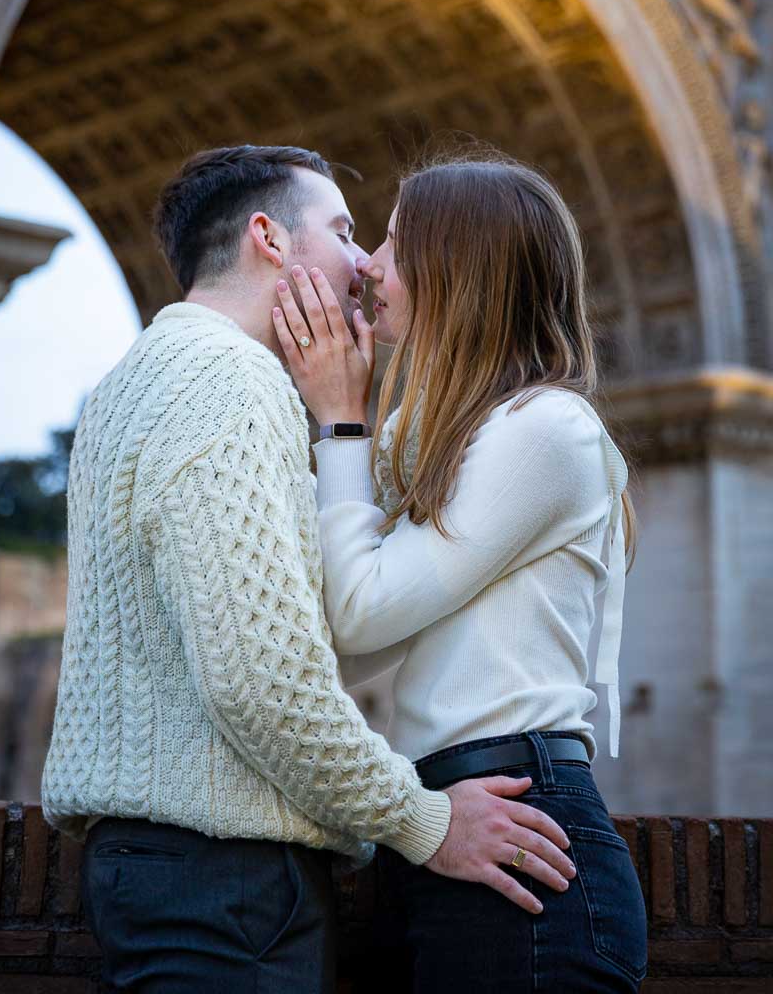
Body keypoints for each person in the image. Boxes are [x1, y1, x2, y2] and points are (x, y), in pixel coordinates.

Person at [41, 145, 576, 994]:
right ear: (269, 238)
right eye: (344, 230)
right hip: (226, 876)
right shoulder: (231, 384)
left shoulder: (129, 383)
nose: (364, 262)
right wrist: (424, 820)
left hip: (165, 864)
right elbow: (263, 679)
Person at [272, 150, 649, 993]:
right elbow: (348, 634)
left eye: (397, 244)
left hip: (522, 829)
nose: (368, 265)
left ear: (455, 266)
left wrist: (339, 421)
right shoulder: (428, 433)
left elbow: (362, 612)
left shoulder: (546, 430)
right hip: (441, 825)